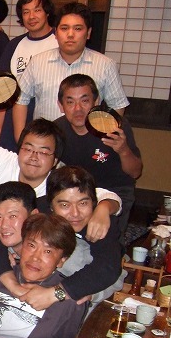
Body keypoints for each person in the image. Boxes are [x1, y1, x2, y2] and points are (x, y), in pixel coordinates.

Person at [0, 75, 120, 245]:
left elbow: (105, 195)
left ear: (55, 160)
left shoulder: (57, 184)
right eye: (28, 149)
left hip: (20, 254)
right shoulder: (3, 161)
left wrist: (104, 208)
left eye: (43, 152)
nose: (33, 157)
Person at [0, 166, 124, 313]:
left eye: (83, 203)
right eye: (64, 205)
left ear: (93, 203)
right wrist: (14, 287)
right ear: (50, 206)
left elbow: (108, 268)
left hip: (81, 280)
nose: (75, 213)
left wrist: (55, 294)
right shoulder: (42, 210)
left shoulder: (101, 223)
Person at [13, 2, 130, 141]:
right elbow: (20, 100)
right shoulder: (37, 62)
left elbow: (118, 105)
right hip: (46, 144)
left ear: (88, 33)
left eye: (78, 28)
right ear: (56, 33)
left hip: (87, 143)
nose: (70, 34)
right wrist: (20, 138)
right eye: (64, 28)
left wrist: (103, 137)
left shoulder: (105, 65)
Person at [55, 74, 142, 240]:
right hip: (77, 194)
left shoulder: (114, 125)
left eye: (85, 101)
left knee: (106, 241)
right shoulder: (58, 129)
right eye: (70, 102)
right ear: (61, 105)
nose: (78, 109)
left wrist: (123, 150)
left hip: (116, 191)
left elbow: (135, 172)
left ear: (96, 102)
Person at [0, 0, 58, 152]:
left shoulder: (59, 41)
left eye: (37, 10)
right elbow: (4, 88)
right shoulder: (14, 44)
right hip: (13, 114)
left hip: (46, 113)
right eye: (26, 12)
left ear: (47, 12)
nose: (31, 16)